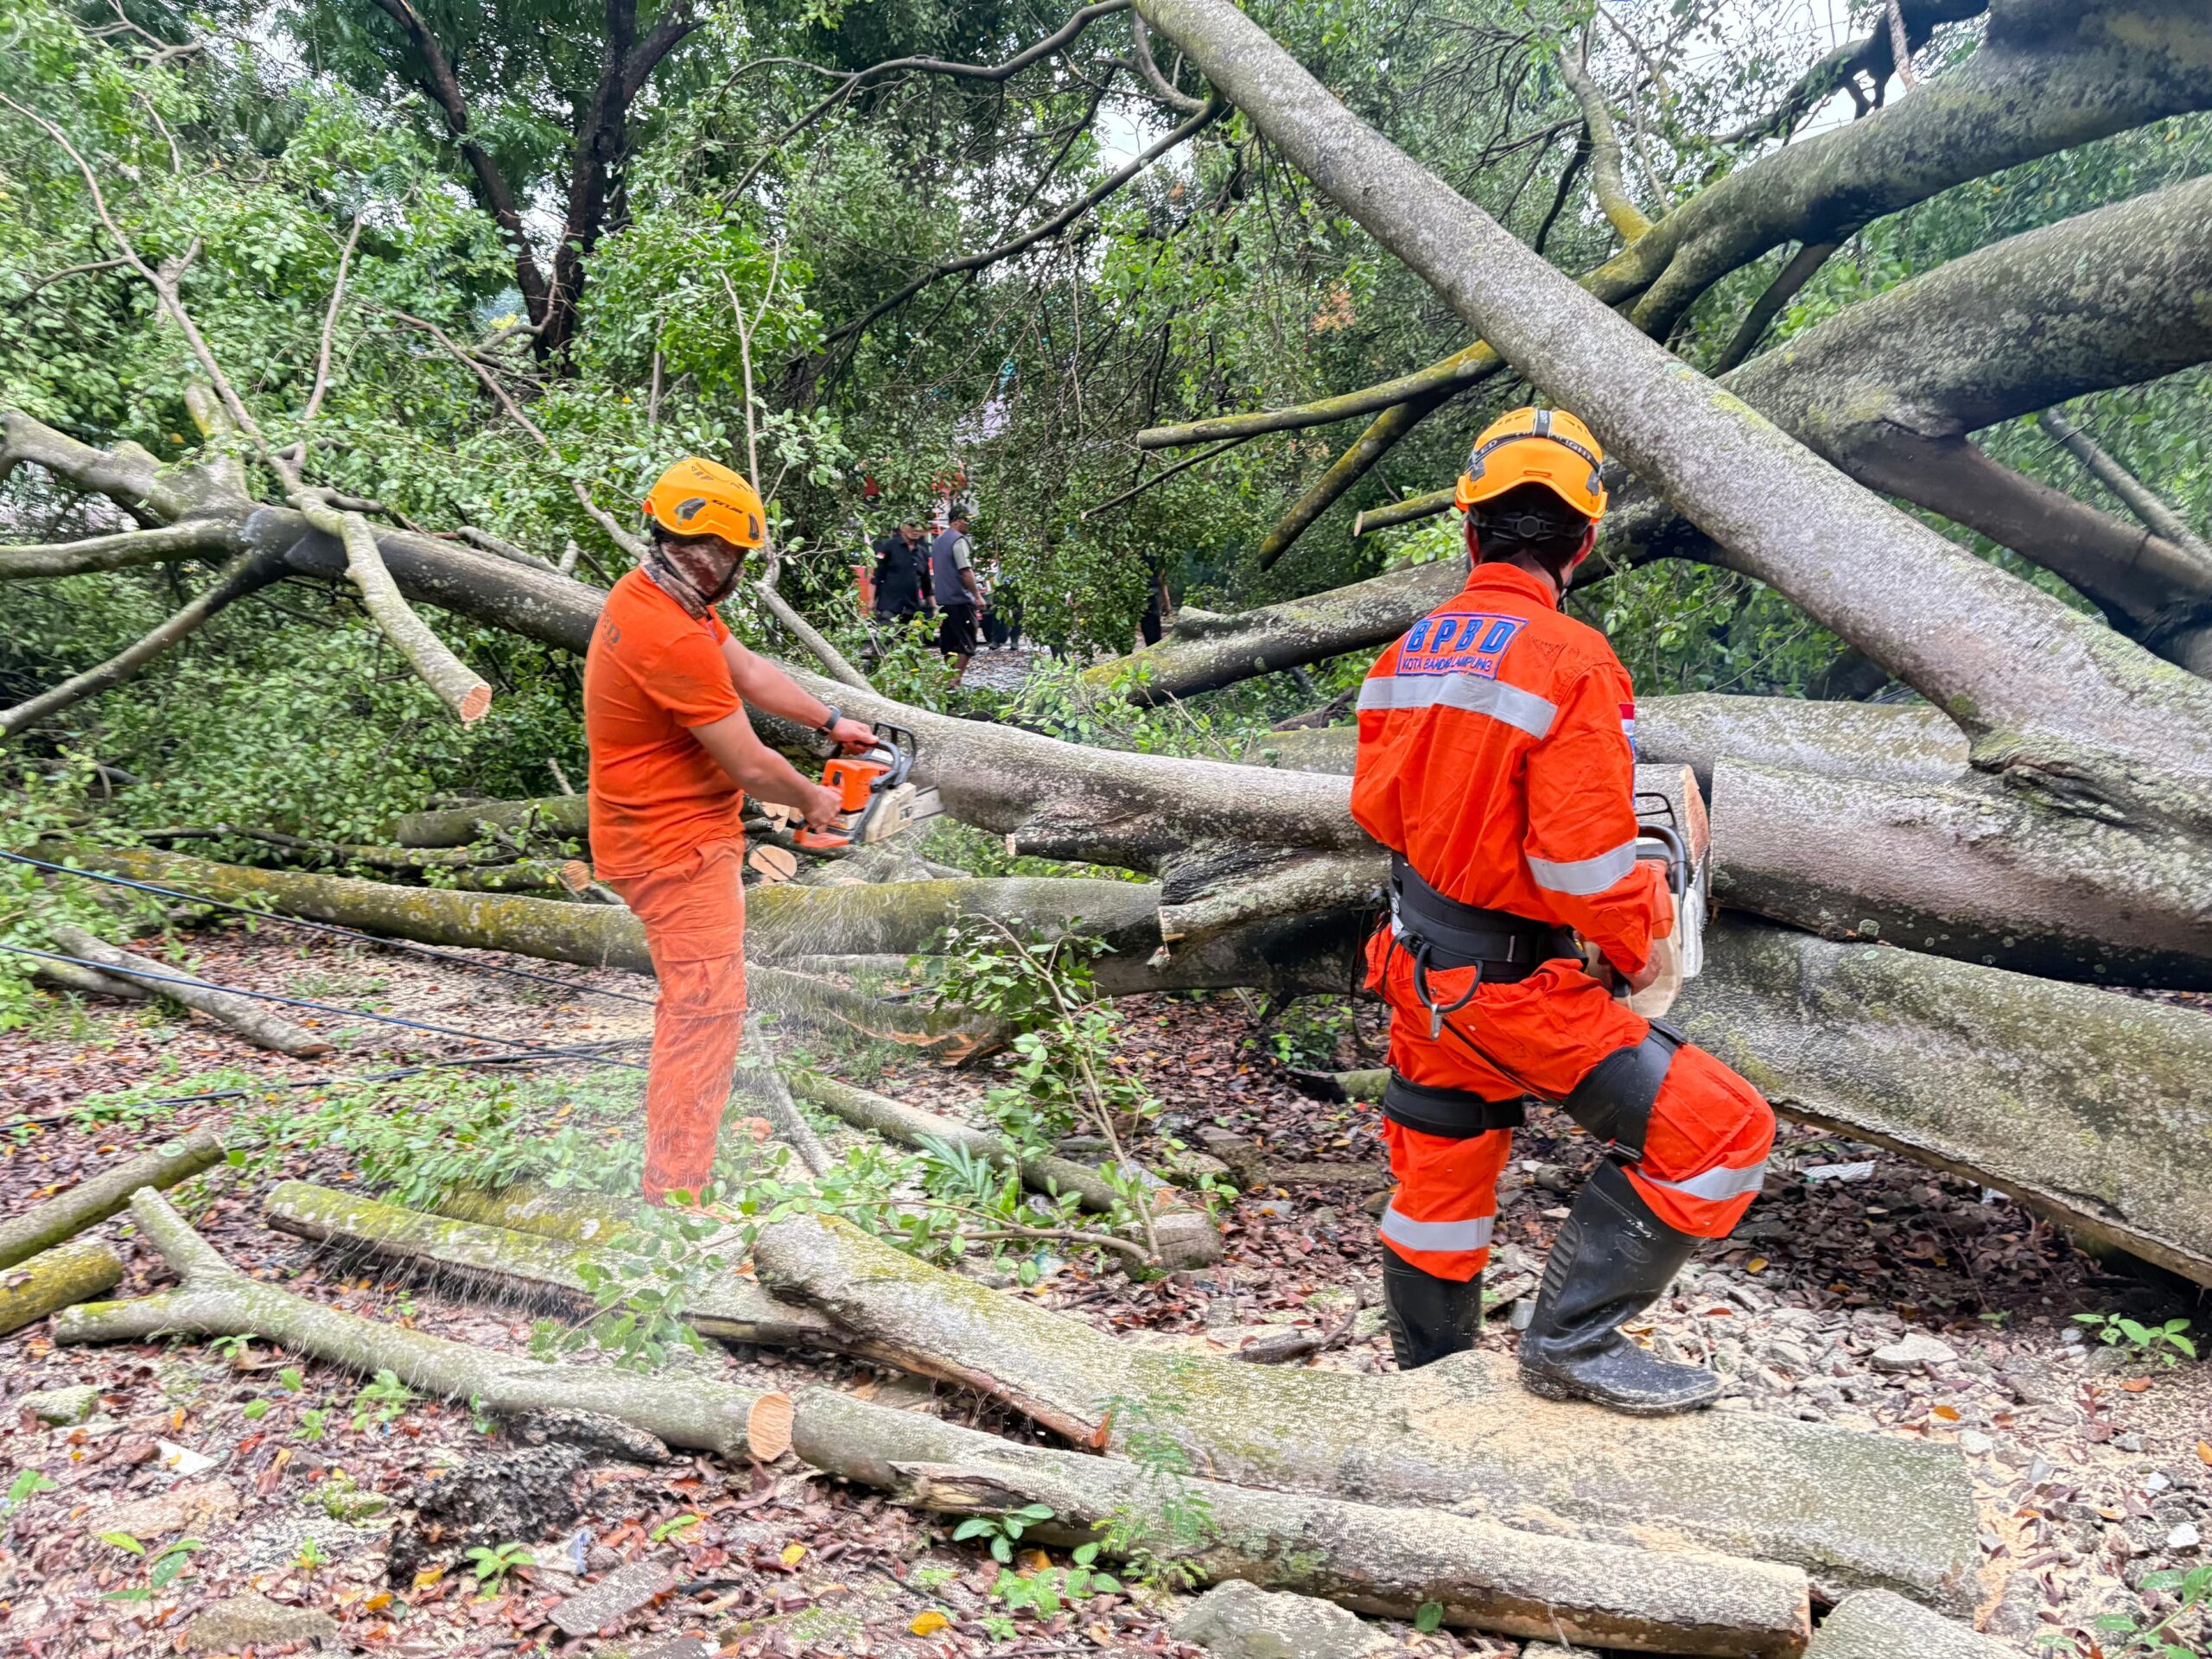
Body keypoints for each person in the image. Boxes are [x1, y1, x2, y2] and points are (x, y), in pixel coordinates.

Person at [1350, 407, 1775, 1414]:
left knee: (1441, 1187)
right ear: (1582, 543)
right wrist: (1639, 950)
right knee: (1725, 1135)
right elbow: (1584, 868)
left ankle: (1435, 1391)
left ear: (1468, 530)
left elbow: (1376, 810)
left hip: (1417, 967)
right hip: (1511, 987)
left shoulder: (1403, 655)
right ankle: (1571, 1342)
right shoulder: (1573, 661)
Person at [584, 455, 877, 1205]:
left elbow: (746, 668)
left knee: (706, 1001)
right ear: (712, 551)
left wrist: (834, 722)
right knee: (705, 1010)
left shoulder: (660, 595)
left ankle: (692, 1146)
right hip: (669, 848)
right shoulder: (668, 635)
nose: (737, 569)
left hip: (668, 829)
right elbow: (749, 763)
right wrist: (818, 801)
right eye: (736, 556)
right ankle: (674, 1199)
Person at [930, 505, 983, 680]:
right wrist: (977, 595)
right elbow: (965, 571)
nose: (968, 524)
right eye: (966, 520)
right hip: (959, 600)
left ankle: (948, 679)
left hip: (944, 600)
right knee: (966, 643)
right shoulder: (958, 541)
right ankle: (954, 682)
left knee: (949, 643)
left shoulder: (938, 541)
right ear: (957, 521)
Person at [872, 519, 931, 623]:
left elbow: (926, 585)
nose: (916, 530)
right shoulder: (889, 547)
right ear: (902, 528)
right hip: (890, 607)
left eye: (919, 526)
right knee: (890, 638)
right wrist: (870, 601)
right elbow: (876, 577)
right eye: (912, 526)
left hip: (912, 610)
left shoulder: (922, 552)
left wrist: (935, 608)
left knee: (913, 638)